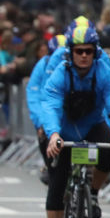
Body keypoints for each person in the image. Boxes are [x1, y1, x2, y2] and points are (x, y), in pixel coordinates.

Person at [42, 22, 110, 218]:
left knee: (108, 154)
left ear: (95, 51)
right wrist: (53, 135)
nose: (84, 56)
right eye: (79, 51)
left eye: (88, 51)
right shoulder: (61, 73)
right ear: (71, 52)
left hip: (93, 125)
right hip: (65, 129)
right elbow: (51, 104)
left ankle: (93, 194)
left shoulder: (104, 71)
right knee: (58, 181)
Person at [26, 35, 67, 185]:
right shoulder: (42, 65)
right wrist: (40, 122)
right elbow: (35, 95)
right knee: (44, 133)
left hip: (71, 115)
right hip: (50, 112)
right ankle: (50, 168)